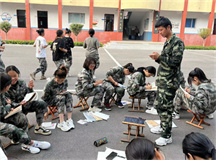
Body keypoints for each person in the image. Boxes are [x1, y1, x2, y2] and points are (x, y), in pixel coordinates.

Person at [149, 16, 185, 146]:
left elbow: (175, 62)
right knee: (159, 106)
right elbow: (166, 60)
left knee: (166, 108)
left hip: (169, 82)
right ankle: (163, 126)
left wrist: (160, 58)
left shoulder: (177, 42)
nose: (160, 33)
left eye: (161, 30)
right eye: (158, 30)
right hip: (163, 81)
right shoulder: (168, 41)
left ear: (169, 27)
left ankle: (167, 135)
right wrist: (157, 58)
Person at [0, 72, 51, 154]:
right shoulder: (4, 91)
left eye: (15, 76)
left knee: (21, 118)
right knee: (12, 129)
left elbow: (5, 104)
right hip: (3, 115)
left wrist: (10, 106)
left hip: (8, 113)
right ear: (5, 86)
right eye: (9, 84)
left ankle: (25, 143)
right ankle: (30, 142)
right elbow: (2, 110)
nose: (12, 81)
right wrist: (9, 106)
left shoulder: (3, 91)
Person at [5, 65, 51, 135]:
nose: (13, 78)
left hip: (24, 105)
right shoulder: (4, 86)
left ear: (18, 74)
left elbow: (27, 94)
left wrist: (30, 88)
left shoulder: (21, 82)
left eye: (15, 76)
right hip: (12, 110)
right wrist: (18, 104)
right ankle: (15, 135)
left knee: (41, 104)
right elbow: (6, 102)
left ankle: (39, 126)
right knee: (21, 117)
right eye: (10, 76)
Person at [42, 65, 74, 132]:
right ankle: (61, 122)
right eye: (59, 80)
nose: (61, 82)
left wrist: (65, 92)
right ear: (56, 77)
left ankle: (69, 119)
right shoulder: (49, 83)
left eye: (62, 80)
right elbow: (44, 98)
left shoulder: (65, 81)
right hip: (51, 100)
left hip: (60, 96)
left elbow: (64, 90)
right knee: (61, 98)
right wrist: (45, 111)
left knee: (69, 96)